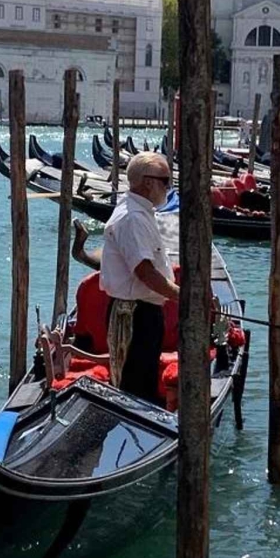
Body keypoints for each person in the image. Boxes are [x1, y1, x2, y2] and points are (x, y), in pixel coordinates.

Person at [100, 152, 180, 401]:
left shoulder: (137, 211)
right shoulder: (133, 217)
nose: (169, 186)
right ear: (148, 182)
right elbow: (144, 272)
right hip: (135, 314)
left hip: (141, 311)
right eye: (166, 180)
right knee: (134, 389)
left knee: (141, 383)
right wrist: (185, 298)